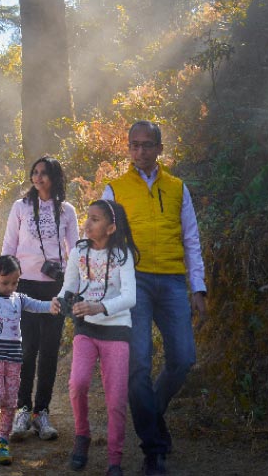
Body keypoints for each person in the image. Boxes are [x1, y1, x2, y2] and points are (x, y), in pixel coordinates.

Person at [101, 120, 208, 476]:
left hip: (173, 282)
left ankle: (152, 412)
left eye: (148, 145)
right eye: (134, 145)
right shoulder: (114, 190)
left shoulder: (177, 187)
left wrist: (198, 287)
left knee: (184, 358)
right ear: (128, 148)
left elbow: (191, 238)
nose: (141, 151)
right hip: (134, 284)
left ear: (160, 148)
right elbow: (101, 241)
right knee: (139, 366)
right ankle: (153, 449)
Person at [53, 200, 139, 476]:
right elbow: (68, 287)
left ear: (111, 228)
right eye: (87, 217)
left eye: (95, 219)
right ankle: (82, 436)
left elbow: (130, 297)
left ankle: (115, 460)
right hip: (86, 329)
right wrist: (58, 300)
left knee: (116, 399)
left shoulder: (122, 255)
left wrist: (99, 307)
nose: (87, 223)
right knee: (78, 383)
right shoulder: (79, 251)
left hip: (117, 330)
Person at [0, 156, 78, 442]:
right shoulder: (20, 207)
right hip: (25, 286)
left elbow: (75, 252)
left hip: (55, 288)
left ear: (55, 177)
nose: (38, 177)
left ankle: (41, 412)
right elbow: (9, 245)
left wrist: (71, 287)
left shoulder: (67, 210)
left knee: (49, 350)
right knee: (27, 348)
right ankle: (23, 409)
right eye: (35, 172)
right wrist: (4, 283)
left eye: (44, 173)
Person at [0, 255, 56, 466]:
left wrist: (53, 305)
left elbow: (38, 305)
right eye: (5, 282)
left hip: (13, 356)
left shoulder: (19, 299)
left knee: (11, 401)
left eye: (15, 283)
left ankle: (3, 441)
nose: (10, 287)